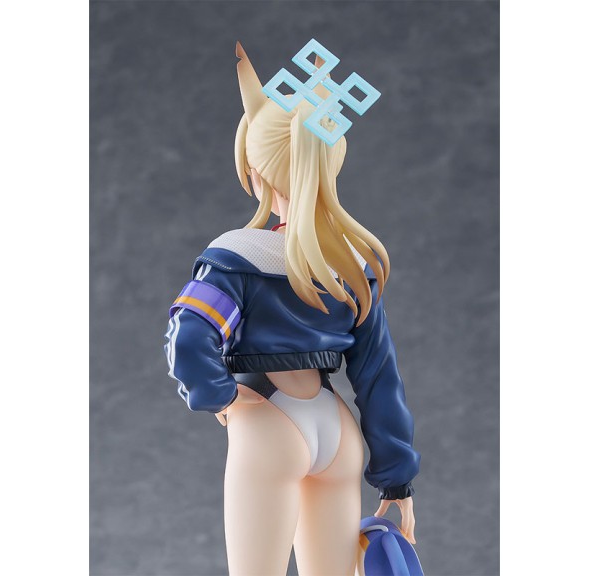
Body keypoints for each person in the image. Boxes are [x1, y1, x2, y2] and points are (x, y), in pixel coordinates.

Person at [164, 41, 420, 576]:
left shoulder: (234, 259)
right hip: (337, 429)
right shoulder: (351, 264)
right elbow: (378, 375)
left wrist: (219, 395)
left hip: (268, 422)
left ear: (256, 169)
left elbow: (189, 336)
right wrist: (396, 479)